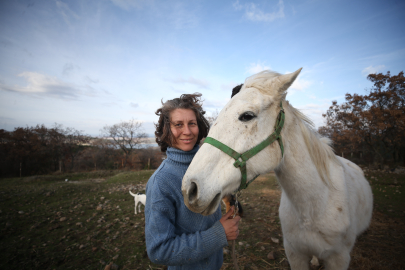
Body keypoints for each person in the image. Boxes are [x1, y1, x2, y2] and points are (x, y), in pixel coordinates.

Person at [145, 93, 241, 270]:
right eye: (178, 125)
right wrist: (219, 234)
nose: (187, 131)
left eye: (192, 123)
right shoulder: (160, 182)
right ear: (167, 129)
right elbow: (159, 251)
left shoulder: (208, 166)